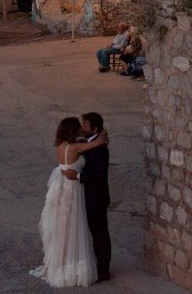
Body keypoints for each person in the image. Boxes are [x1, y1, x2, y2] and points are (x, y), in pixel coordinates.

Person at [30, 117, 108, 287]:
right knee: (73, 225)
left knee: (62, 226)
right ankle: (73, 264)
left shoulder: (60, 146)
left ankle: (61, 262)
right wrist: (102, 134)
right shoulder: (76, 147)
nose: (82, 129)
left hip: (60, 186)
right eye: (79, 127)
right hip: (73, 188)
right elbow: (98, 142)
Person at [62, 112, 112, 282]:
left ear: (95, 129)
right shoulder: (91, 141)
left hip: (96, 197)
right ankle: (98, 264)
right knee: (93, 231)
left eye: (85, 125)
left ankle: (104, 269)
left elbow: (98, 175)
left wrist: (76, 176)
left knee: (99, 233)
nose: (82, 128)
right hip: (88, 196)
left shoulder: (99, 149)